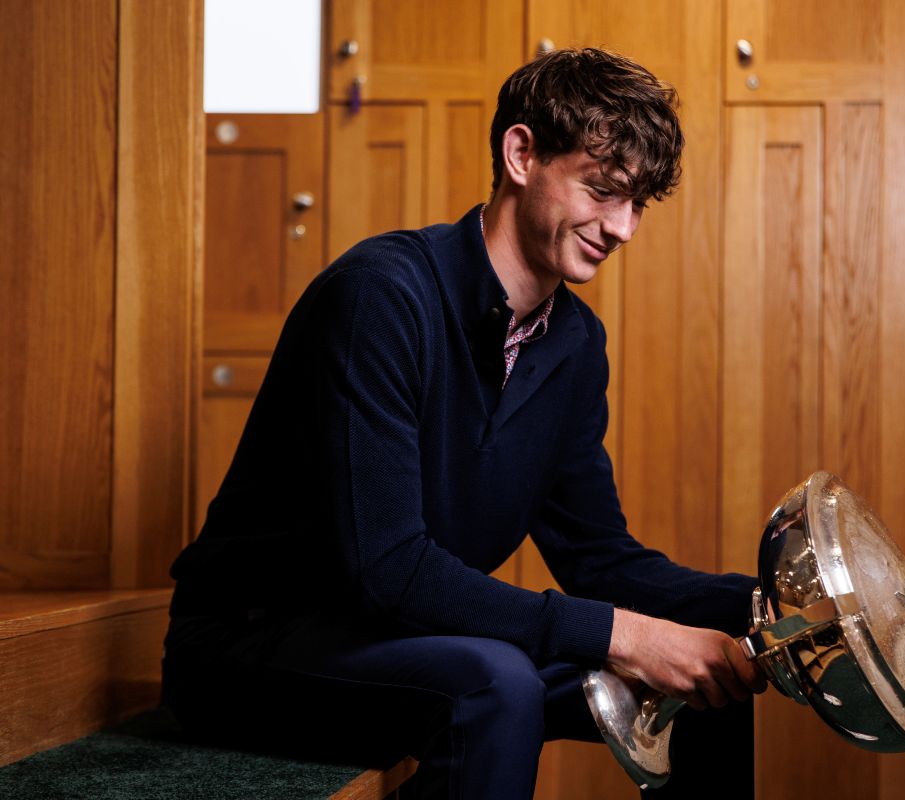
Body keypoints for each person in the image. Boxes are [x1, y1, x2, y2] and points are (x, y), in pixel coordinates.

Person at [164, 47, 765, 799]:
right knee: (494, 683)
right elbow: (387, 569)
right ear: (521, 155)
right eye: (604, 190)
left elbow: (601, 561)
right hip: (253, 646)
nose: (623, 228)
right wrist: (628, 634)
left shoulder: (576, 345)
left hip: (406, 635)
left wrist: (774, 608)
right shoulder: (379, 297)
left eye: (638, 204)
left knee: (705, 679)